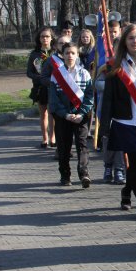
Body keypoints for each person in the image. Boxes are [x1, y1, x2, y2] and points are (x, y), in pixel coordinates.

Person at [100, 24, 136, 221]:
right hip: (124, 123)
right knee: (135, 164)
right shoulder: (114, 66)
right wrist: (104, 128)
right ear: (124, 41)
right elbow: (108, 99)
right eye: (131, 38)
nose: (135, 42)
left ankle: (126, 191)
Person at [48, 41, 94, 188]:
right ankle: (65, 175)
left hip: (80, 117)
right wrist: (65, 114)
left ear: (77, 55)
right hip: (63, 117)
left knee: (82, 145)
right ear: (62, 55)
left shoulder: (85, 74)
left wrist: (81, 113)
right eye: (67, 53)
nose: (70, 56)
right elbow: (54, 100)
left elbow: (89, 97)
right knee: (64, 146)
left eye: (73, 53)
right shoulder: (57, 75)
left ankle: (84, 173)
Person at [95, 25, 126, 185]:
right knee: (108, 140)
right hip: (107, 109)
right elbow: (98, 84)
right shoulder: (107, 67)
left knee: (120, 141)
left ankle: (119, 170)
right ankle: (108, 166)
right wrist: (112, 85)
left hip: (124, 111)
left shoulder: (130, 67)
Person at [27, 27, 56, 148]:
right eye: (42, 36)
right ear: (39, 39)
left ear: (51, 38)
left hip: (53, 86)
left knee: (52, 113)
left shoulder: (55, 53)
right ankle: (44, 138)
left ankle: (52, 137)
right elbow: (29, 72)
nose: (45, 39)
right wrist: (40, 78)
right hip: (40, 87)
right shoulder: (34, 54)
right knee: (43, 113)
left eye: (47, 36)